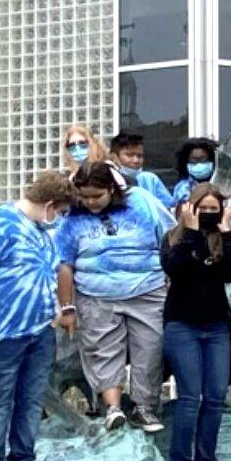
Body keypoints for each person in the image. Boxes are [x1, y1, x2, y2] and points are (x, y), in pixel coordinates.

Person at [0, 171, 77, 461]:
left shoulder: (44, 232)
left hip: (39, 331)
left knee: (30, 401)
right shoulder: (0, 222)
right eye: (61, 211)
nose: (60, 218)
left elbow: (49, 272)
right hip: (3, 332)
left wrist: (56, 308)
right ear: (50, 205)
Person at [57, 160, 175, 435]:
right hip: (96, 295)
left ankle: (144, 407)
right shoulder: (70, 218)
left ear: (112, 189)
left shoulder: (142, 201)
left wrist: (172, 280)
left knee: (150, 349)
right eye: (84, 197)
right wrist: (68, 307)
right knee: (102, 349)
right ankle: (112, 408)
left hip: (147, 289)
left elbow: (169, 238)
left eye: (96, 196)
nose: (90, 203)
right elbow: (64, 264)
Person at [160, 184, 231, 461]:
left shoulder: (221, 240)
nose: (208, 214)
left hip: (217, 326)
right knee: (189, 396)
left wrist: (227, 232)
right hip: (182, 325)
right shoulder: (173, 237)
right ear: (190, 208)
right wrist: (192, 231)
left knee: (215, 397)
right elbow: (176, 269)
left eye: (214, 209)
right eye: (202, 208)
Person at [109, 131, 175, 206]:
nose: (136, 160)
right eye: (129, 155)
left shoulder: (150, 180)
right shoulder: (107, 181)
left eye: (139, 156)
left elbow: (167, 208)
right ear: (114, 157)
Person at [171, 137, 221, 210]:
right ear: (185, 163)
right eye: (193, 160)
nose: (199, 164)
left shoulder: (223, 183)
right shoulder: (182, 188)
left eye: (203, 159)